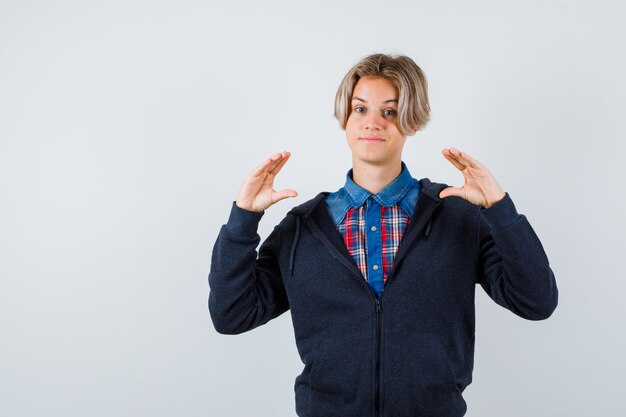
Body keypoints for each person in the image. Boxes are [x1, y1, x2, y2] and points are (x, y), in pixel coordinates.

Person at [208, 53, 558, 417]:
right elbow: (231, 315)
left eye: (389, 112)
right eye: (360, 109)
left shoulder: (458, 217)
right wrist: (243, 219)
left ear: (413, 121)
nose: (372, 123)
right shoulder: (302, 227)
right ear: (344, 117)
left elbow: (536, 301)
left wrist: (499, 209)